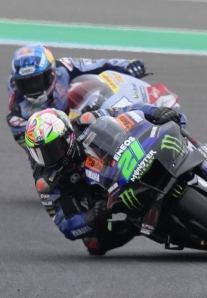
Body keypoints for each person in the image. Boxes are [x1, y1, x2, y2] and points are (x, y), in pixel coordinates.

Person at [25, 103, 182, 255]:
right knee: (94, 242)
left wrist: (155, 112)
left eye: (53, 148)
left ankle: (190, 150)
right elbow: (64, 224)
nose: (49, 157)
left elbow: (126, 111)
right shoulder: (46, 182)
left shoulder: (84, 122)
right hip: (100, 199)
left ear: (67, 135)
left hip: (120, 162)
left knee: (169, 120)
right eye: (40, 153)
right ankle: (135, 225)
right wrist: (91, 216)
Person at [7, 44, 146, 156]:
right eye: (25, 84)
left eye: (37, 80)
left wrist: (127, 66)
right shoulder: (17, 116)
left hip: (75, 114)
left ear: (52, 71)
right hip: (57, 140)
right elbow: (36, 154)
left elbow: (100, 65)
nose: (33, 88)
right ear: (16, 83)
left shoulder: (64, 66)